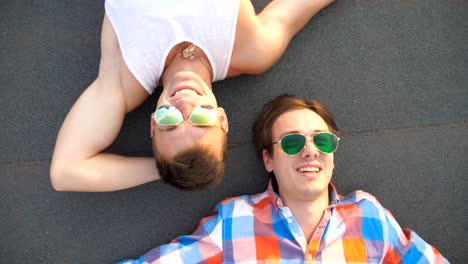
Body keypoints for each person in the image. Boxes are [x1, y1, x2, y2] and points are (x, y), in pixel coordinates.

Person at [116, 94, 448, 263]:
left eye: (321, 140)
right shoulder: (236, 221)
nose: (310, 151)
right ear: (268, 159)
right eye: (291, 142)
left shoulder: (369, 215)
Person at [50, 0, 336, 191]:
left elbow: (66, 171)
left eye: (169, 119)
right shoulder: (252, 49)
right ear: (222, 118)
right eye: (201, 118)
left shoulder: (122, 78)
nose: (184, 103)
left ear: (152, 123)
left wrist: (169, 170)